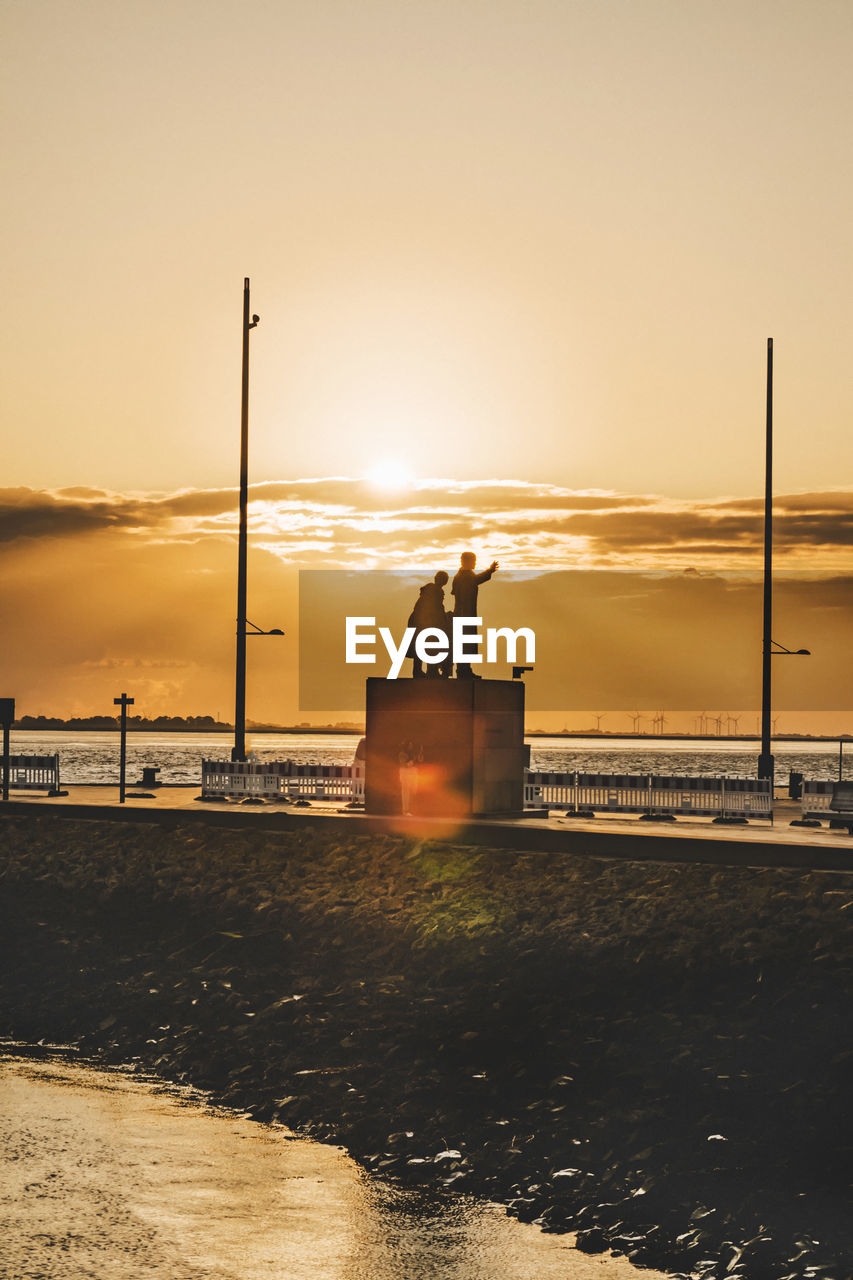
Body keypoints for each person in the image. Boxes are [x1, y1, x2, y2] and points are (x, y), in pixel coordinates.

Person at [451, 552, 498, 678]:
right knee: (466, 643)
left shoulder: (461, 576)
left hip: (464, 612)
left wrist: (489, 571)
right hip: (465, 614)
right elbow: (476, 580)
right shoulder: (464, 576)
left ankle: (464, 669)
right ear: (467, 561)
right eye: (473, 560)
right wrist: (489, 571)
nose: (475, 563)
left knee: (466, 643)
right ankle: (463, 671)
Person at [407, 570, 451, 677]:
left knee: (421, 648)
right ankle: (431, 671)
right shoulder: (435, 591)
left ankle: (420, 671)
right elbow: (437, 610)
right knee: (429, 647)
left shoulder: (430, 591)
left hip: (420, 622)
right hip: (424, 623)